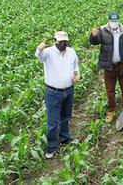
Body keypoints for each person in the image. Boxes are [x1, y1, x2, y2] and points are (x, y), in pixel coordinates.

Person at [36, 31, 80, 159]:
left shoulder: (71, 52)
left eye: (65, 42)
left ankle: (65, 138)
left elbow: (75, 65)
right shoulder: (48, 52)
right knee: (53, 121)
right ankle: (52, 146)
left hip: (69, 89)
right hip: (53, 92)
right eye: (60, 42)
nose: (63, 44)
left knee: (65, 117)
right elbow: (39, 55)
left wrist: (76, 74)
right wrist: (39, 49)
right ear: (55, 41)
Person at [89, 11, 123, 123]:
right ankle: (111, 111)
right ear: (108, 21)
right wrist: (93, 35)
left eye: (116, 21)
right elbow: (94, 42)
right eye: (112, 21)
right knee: (110, 90)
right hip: (109, 66)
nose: (114, 23)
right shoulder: (102, 31)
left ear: (119, 21)